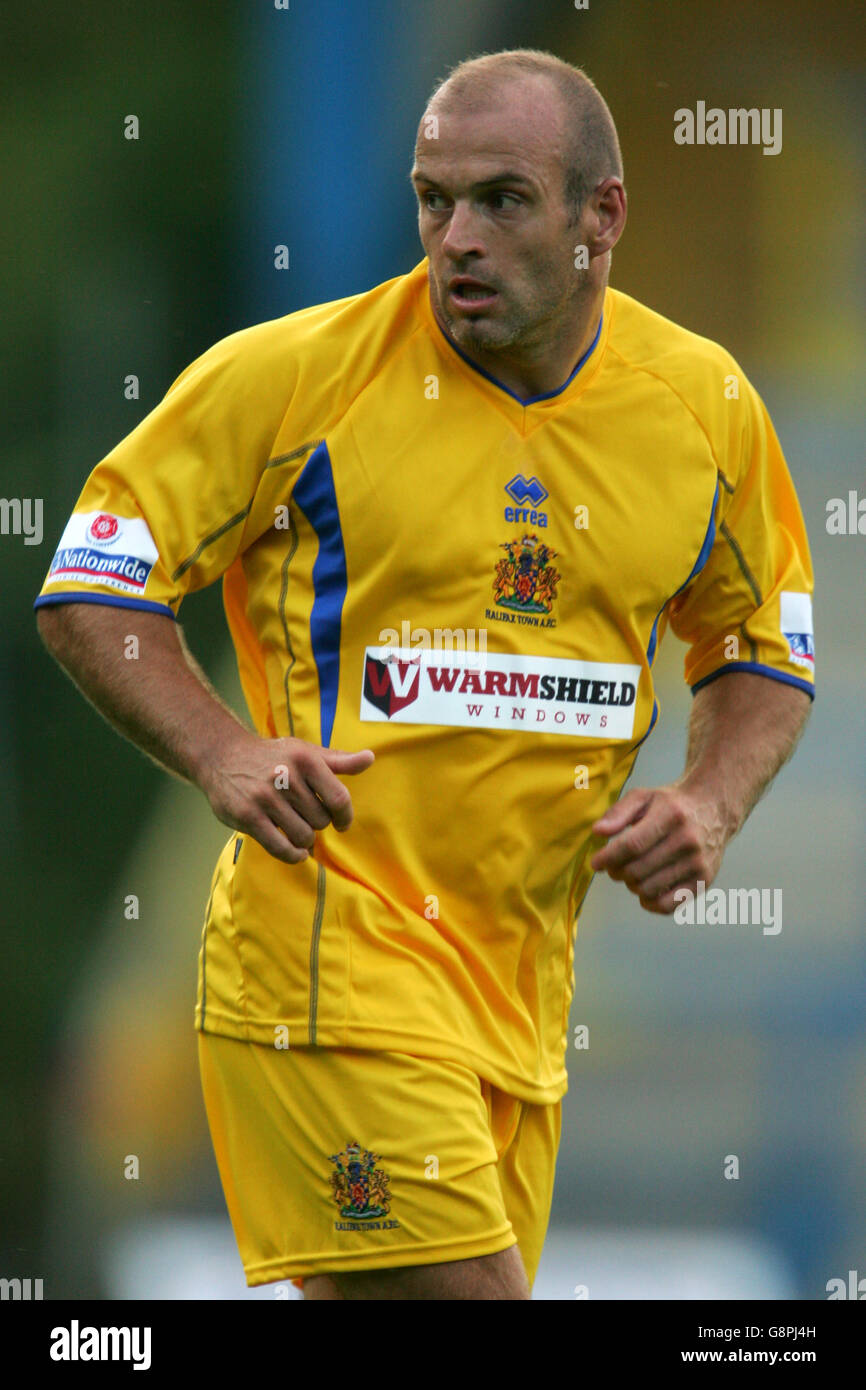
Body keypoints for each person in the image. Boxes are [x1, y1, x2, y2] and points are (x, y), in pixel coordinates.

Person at [35, 48, 815, 1301]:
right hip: (324, 970)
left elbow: (761, 642)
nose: (455, 236)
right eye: (431, 198)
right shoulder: (290, 376)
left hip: (513, 1009)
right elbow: (91, 585)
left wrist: (707, 802)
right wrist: (223, 751)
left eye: (501, 199)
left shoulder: (702, 405)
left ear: (599, 216)